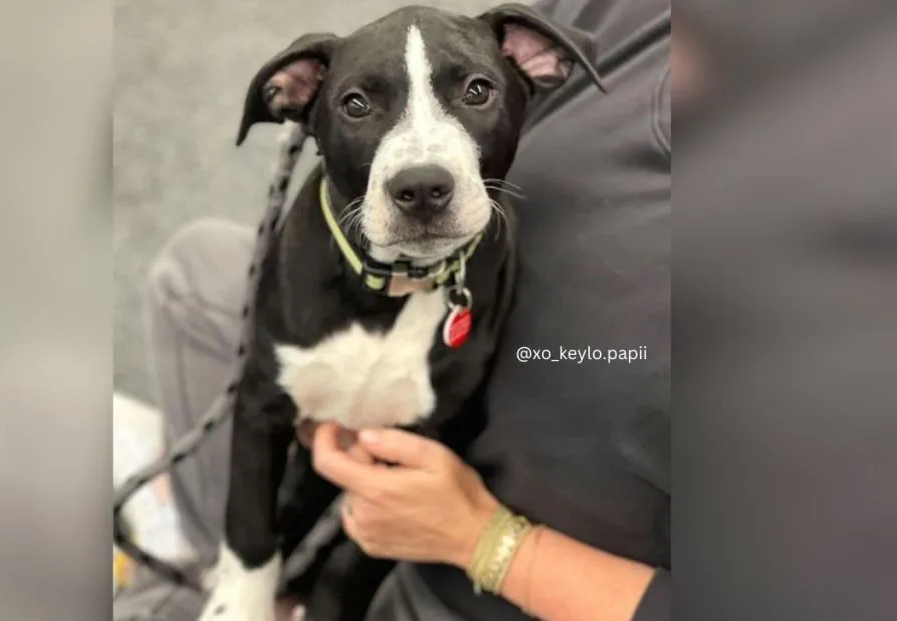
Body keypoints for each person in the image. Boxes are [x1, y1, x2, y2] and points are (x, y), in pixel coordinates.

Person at [113, 0, 669, 619]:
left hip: (473, 555)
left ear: (536, 64)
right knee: (193, 270)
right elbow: (260, 412)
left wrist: (484, 542)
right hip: (347, 323)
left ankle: (171, 575)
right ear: (299, 102)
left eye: (477, 90)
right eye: (355, 104)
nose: (422, 172)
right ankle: (198, 554)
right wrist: (249, 575)